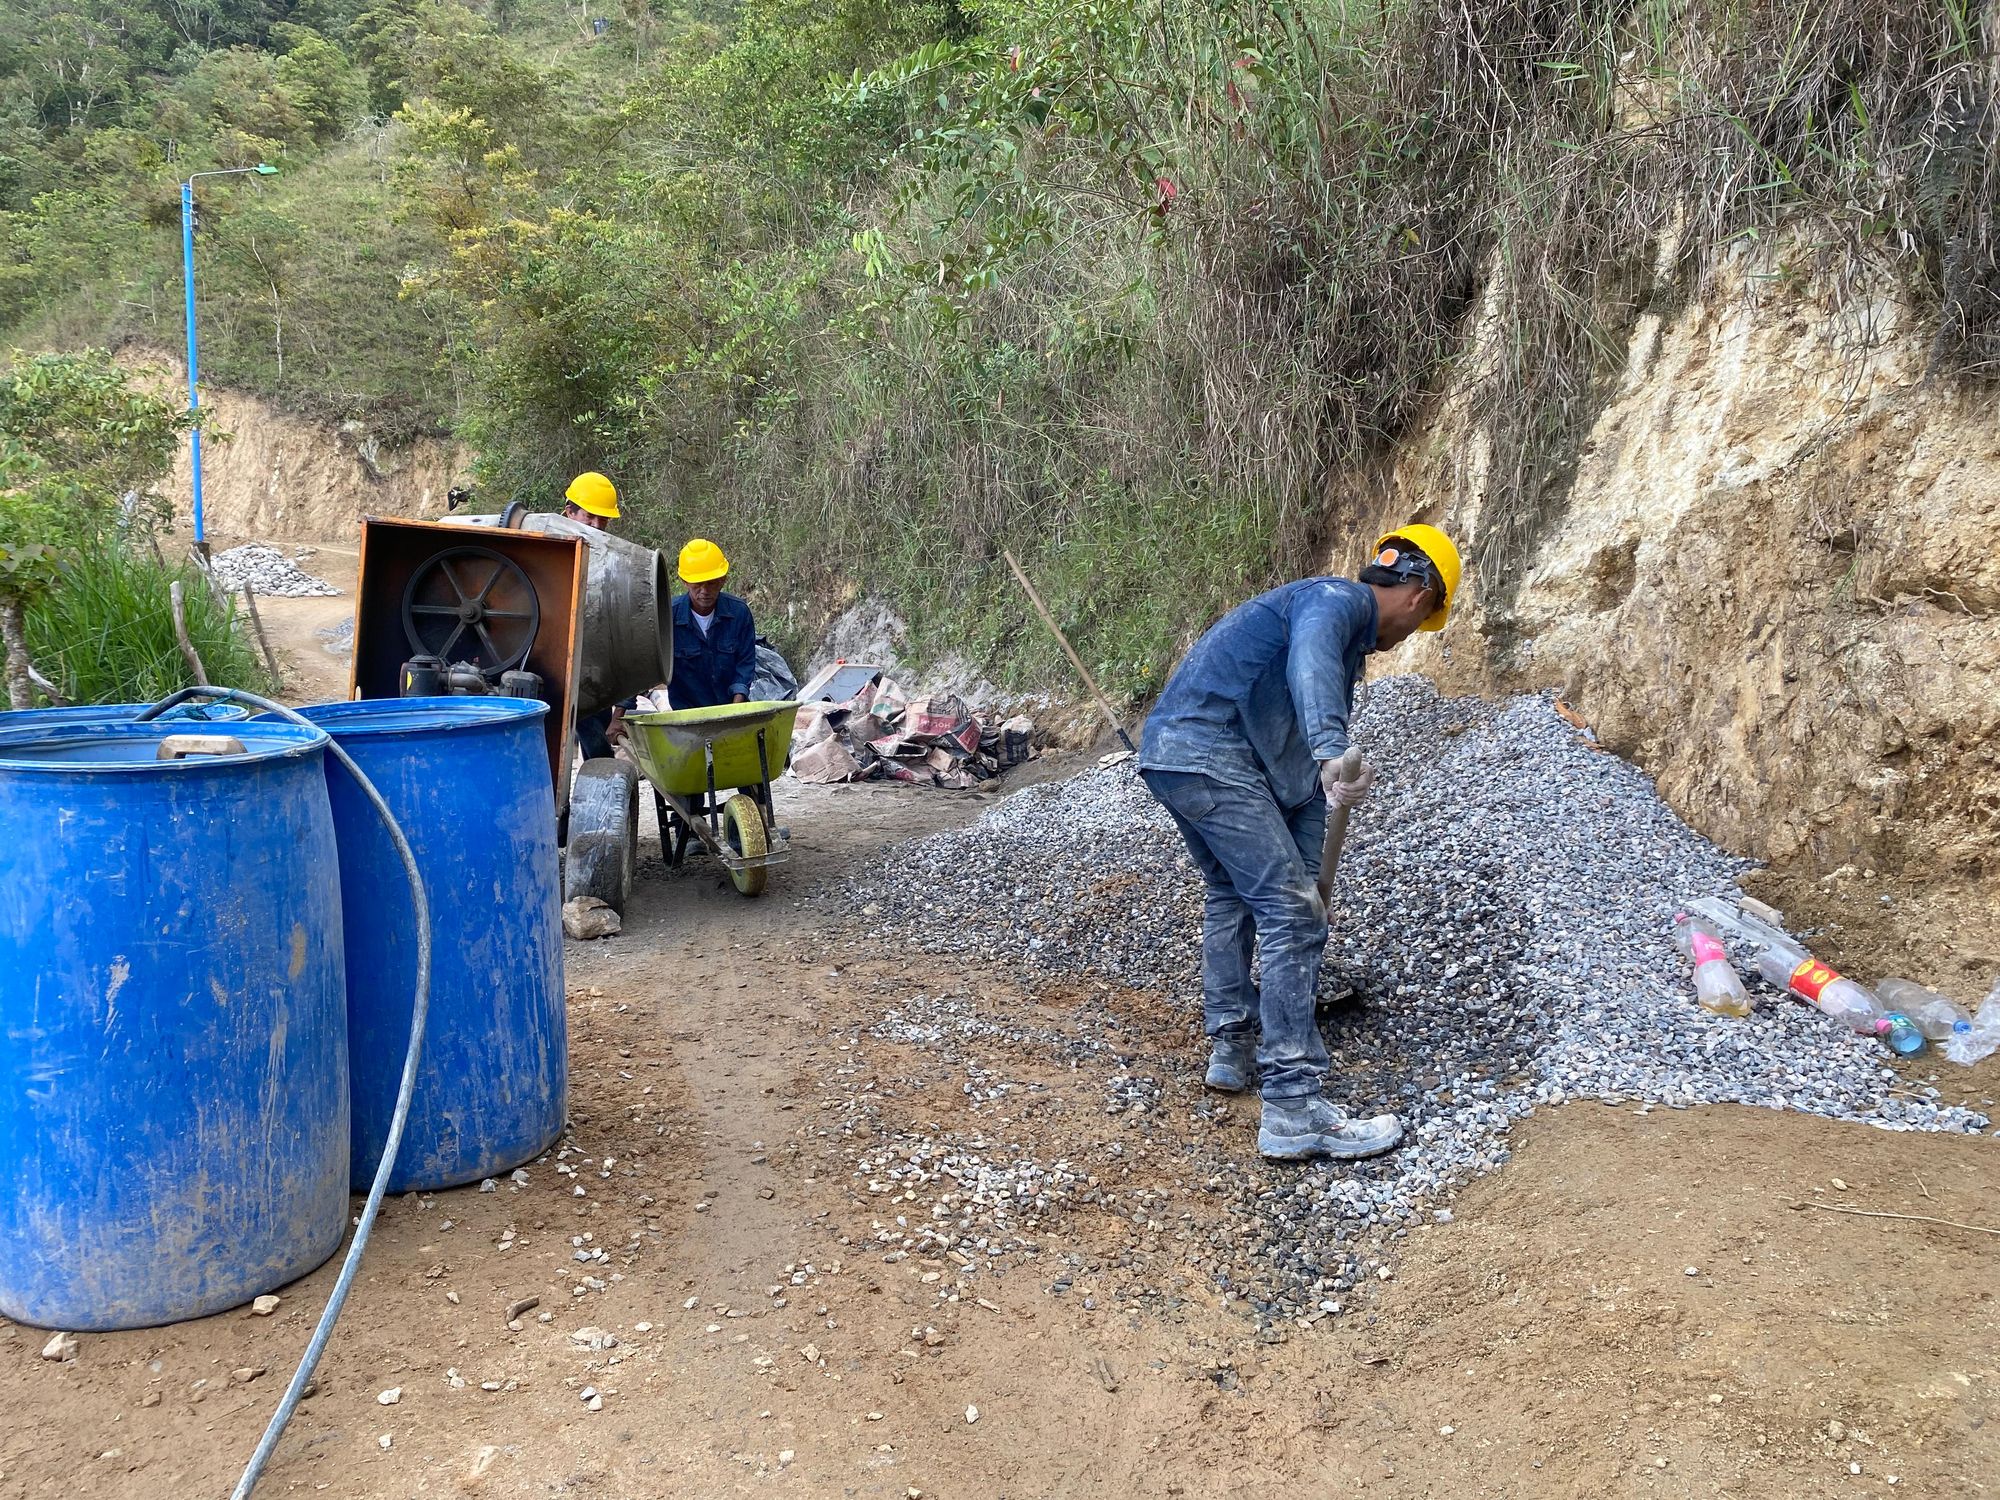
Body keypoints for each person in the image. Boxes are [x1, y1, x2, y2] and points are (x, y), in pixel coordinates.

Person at [1137, 524, 1463, 1163]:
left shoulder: (1331, 635)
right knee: (1289, 912)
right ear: (1420, 595)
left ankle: (1232, 1043)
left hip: (1175, 754)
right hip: (1207, 751)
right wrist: (1331, 747)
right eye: (1418, 625)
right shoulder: (1334, 602)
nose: (1403, 641)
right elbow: (1309, 662)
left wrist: (1312, 872)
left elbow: (1296, 779)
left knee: (1234, 891)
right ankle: (1293, 1107)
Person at [564, 471, 625, 758]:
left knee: (598, 752)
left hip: (592, 680)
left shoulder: (614, 568)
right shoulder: (543, 551)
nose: (597, 525)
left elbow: (625, 640)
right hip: (548, 674)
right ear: (569, 513)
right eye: (590, 516)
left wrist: (624, 707)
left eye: (604, 519)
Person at [668, 538, 757, 710]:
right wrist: (620, 713)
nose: (705, 591)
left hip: (730, 710)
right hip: (687, 718)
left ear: (723, 580)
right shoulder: (668, 617)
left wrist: (734, 710)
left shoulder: (739, 613)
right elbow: (644, 666)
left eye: (711, 583)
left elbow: (745, 665)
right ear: (684, 581)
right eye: (698, 584)